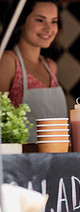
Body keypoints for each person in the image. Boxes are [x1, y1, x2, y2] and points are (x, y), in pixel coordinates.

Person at [0, 0, 67, 143]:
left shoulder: (50, 66)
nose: (49, 28)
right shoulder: (8, 61)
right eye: (40, 20)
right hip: (21, 159)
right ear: (21, 22)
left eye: (54, 21)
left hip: (56, 156)